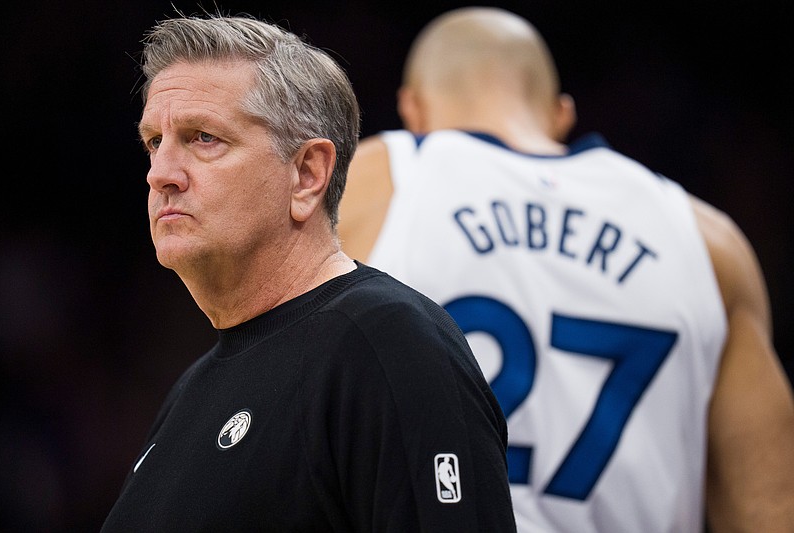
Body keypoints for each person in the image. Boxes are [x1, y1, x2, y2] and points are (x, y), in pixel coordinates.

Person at [337, 6, 794, 533]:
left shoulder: (369, 185)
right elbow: (766, 512)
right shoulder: (710, 241)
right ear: (560, 113)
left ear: (411, 109)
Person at [101, 12, 517, 532]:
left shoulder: (388, 342)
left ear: (307, 174)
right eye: (154, 142)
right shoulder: (192, 388)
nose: (160, 173)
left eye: (203, 137)